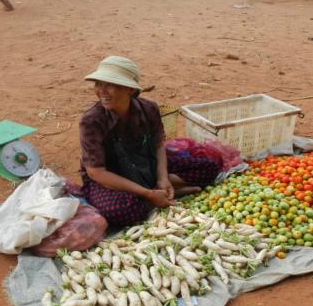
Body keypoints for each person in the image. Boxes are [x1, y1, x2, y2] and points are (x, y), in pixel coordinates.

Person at [76, 56, 219, 226]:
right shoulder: (92, 120)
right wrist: (147, 194)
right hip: (111, 176)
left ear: (130, 89)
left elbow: (159, 145)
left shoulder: (149, 109)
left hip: (146, 164)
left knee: (210, 166)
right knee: (121, 211)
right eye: (98, 84)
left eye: (110, 84)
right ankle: (153, 194)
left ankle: (159, 187)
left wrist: (163, 178)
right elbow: (96, 172)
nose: (102, 91)